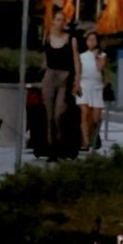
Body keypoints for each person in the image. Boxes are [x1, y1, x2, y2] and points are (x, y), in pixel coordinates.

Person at [39, 11, 81, 159]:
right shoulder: (47, 37)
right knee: (49, 115)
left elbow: (76, 61)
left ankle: (61, 143)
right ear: (53, 21)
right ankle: (51, 148)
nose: (60, 23)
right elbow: (45, 58)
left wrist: (77, 81)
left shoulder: (70, 40)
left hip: (64, 77)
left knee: (59, 114)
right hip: (50, 76)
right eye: (57, 19)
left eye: (62, 20)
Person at [78, 30, 107, 151]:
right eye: (89, 40)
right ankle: (84, 142)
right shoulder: (81, 56)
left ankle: (93, 137)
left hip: (96, 87)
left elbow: (100, 68)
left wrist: (97, 57)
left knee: (95, 118)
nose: (91, 42)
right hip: (84, 86)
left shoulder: (102, 55)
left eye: (93, 40)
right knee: (84, 114)